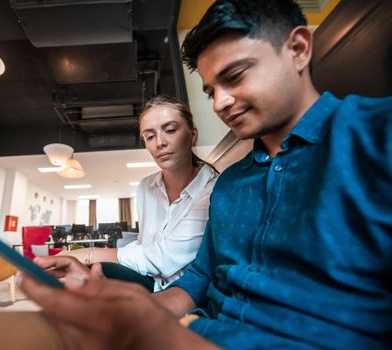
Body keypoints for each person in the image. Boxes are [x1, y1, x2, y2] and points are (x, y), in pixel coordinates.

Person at [20, 0, 392, 349]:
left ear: (297, 49)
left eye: (235, 76)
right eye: (211, 90)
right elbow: (198, 278)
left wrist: (161, 333)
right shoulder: (230, 185)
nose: (219, 103)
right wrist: (138, 310)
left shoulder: (377, 133)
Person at [58, 95, 217, 292]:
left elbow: (163, 259)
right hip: (148, 279)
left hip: (187, 291)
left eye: (170, 130)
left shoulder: (213, 189)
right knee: (80, 278)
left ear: (193, 135)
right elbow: (144, 245)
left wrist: (88, 253)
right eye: (150, 136)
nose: (160, 142)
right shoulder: (146, 187)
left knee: (99, 270)